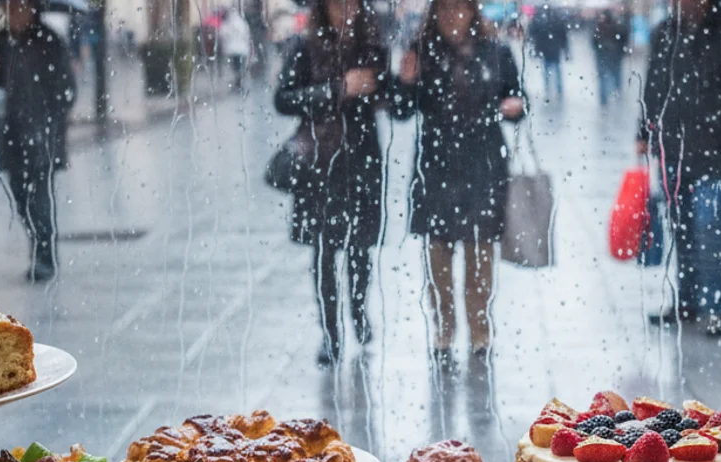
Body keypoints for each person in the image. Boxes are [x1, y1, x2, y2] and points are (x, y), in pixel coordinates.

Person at [391, 0, 525, 361]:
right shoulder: (423, 52)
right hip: (437, 166)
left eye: (460, 9)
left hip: (483, 164)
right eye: (446, 10)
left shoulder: (495, 51)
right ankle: (444, 330)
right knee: (438, 254)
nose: (454, 17)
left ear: (472, 12)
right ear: (435, 14)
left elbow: (517, 98)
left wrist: (515, 106)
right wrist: (405, 81)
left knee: (479, 252)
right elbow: (400, 110)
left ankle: (480, 331)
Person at [637, 0, 721, 337]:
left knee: (709, 229)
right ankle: (687, 302)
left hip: (717, 148)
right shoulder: (665, 31)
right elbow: (654, 86)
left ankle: (715, 308)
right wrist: (643, 133)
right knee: (680, 229)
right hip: (673, 147)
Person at [274, 0, 387, 365]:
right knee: (324, 251)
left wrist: (397, 83)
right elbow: (283, 99)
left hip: (363, 160)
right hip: (321, 163)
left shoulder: (372, 46)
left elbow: (394, 101)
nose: (344, 10)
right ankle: (330, 333)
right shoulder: (305, 45)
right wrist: (338, 89)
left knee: (360, 247)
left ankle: (359, 312)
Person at [0, 0, 75, 283]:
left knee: (40, 198)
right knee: (20, 197)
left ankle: (45, 258)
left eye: (19, 6)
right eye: (8, 6)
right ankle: (37, 247)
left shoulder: (49, 40)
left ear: (32, 8)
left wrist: (50, 121)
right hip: (10, 132)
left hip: (43, 134)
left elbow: (68, 89)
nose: (13, 11)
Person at [527, 6, 568, 101]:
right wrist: (566, 50)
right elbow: (563, 36)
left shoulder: (540, 21)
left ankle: (550, 89)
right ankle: (558, 90)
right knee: (555, 69)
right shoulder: (556, 20)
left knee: (548, 69)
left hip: (546, 49)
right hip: (553, 49)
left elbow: (534, 35)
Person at [592, 9, 628, 106]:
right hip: (614, 56)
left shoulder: (599, 27)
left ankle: (604, 99)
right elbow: (623, 39)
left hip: (602, 56)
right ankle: (617, 92)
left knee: (603, 78)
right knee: (615, 75)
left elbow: (594, 42)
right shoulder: (617, 26)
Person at [219, 7, 251, 91]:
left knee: (236, 67)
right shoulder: (242, 23)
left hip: (232, 49)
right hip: (242, 49)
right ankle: (239, 82)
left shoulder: (227, 24)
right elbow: (247, 35)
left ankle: (238, 83)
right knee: (240, 66)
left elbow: (222, 34)